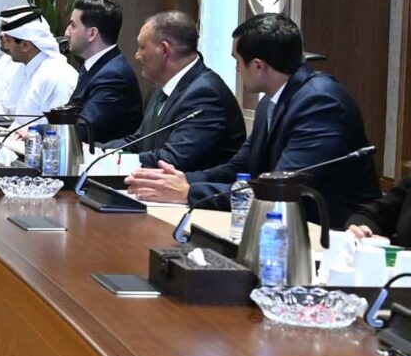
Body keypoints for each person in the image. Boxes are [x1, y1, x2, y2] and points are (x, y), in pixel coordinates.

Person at [127, 13, 381, 228]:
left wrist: (190, 192)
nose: (236, 70)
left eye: (237, 61)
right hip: (283, 226)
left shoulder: (321, 104)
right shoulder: (270, 102)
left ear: (258, 66)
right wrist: (183, 180)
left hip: (333, 233)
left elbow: (280, 188)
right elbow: (238, 167)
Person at [105, 11, 244, 171]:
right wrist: (94, 151)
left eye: (142, 47)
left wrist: (116, 160)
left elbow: (173, 159)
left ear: (164, 49)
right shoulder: (158, 90)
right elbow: (139, 141)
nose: (137, 55)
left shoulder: (205, 94)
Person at [0, 6, 78, 118]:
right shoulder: (25, 69)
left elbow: (56, 128)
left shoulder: (57, 76)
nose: (6, 46)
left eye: (8, 40)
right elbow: (11, 114)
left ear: (25, 45)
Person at [64, 0, 142, 143]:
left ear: (92, 33)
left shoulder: (113, 75)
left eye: (73, 25)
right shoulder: (97, 67)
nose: (67, 32)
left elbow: (83, 130)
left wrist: (36, 132)